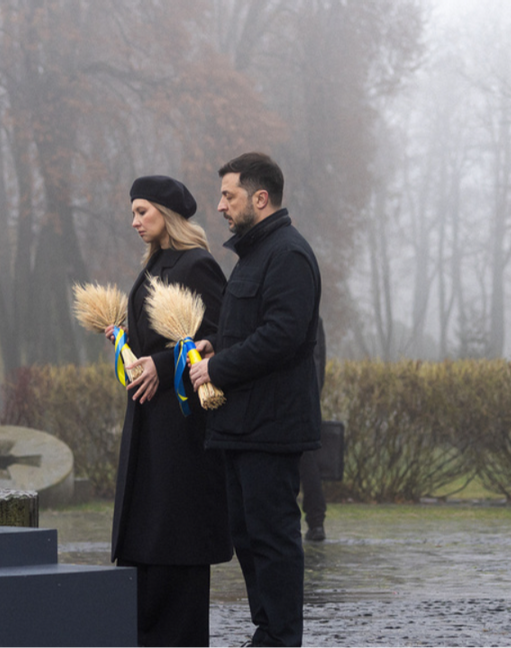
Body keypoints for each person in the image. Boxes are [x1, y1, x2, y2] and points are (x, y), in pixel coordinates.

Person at [189, 152, 322, 648]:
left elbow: (282, 335)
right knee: (247, 537)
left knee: (273, 539)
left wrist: (217, 367)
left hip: (272, 427)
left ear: (259, 198)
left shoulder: (287, 254)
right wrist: (215, 345)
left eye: (229, 196)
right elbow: (250, 330)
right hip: (242, 426)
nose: (220, 206)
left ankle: (281, 638)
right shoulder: (253, 256)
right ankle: (266, 631)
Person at [108, 175, 232, 648]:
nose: (134, 220)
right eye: (134, 212)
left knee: (173, 538)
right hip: (149, 421)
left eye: (143, 211)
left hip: (180, 431)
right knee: (148, 537)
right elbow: (155, 341)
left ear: (168, 214)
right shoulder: (155, 263)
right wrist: (125, 345)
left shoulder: (195, 264)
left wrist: (161, 363)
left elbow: (220, 335)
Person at [300, 318, 328, 542]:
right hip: (307, 401)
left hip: (296, 401)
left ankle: (316, 520)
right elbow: (321, 362)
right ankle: (316, 521)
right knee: (308, 463)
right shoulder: (314, 320)